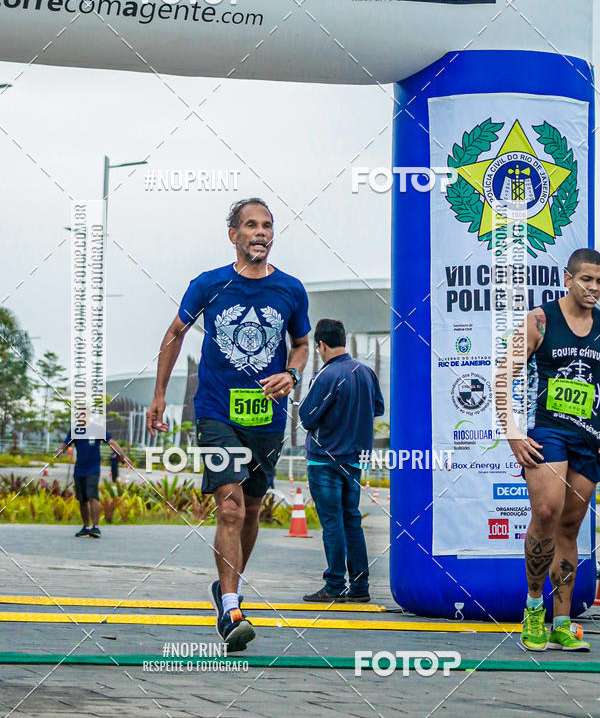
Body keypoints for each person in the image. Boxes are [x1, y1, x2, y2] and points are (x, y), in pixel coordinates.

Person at [146, 197, 310, 651]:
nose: (261, 233)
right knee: (231, 508)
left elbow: (301, 344)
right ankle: (232, 607)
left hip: (266, 417)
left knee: (253, 510)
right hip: (217, 411)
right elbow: (174, 335)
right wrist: (160, 395)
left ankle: (226, 588)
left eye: (268, 226)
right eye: (251, 226)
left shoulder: (291, 290)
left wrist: (292, 373)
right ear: (233, 235)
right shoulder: (209, 284)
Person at [496, 248, 600, 652]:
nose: (593, 288)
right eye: (587, 279)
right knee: (546, 511)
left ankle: (561, 621)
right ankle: (533, 608)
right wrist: (513, 433)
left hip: (589, 437)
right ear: (568, 279)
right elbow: (503, 375)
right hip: (549, 431)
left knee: (570, 527)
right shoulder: (540, 320)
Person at [299, 318, 384, 603]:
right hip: (355, 460)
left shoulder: (326, 376)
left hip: (324, 460)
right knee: (352, 520)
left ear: (321, 344)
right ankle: (360, 587)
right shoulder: (366, 372)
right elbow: (378, 408)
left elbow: (307, 417)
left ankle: (334, 585)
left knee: (332, 523)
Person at [56, 428, 131, 538]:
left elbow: (111, 442)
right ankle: (86, 527)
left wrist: (123, 456)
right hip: (79, 469)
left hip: (93, 469)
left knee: (92, 496)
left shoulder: (98, 429)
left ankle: (95, 527)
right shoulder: (75, 431)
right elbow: (65, 444)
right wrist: (60, 450)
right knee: (82, 499)